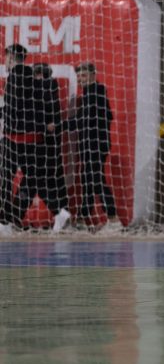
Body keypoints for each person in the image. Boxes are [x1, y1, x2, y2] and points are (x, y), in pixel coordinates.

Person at [67, 62, 118, 229]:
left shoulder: (97, 92)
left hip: (96, 145)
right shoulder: (90, 94)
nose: (80, 79)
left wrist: (60, 126)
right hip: (89, 144)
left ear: (92, 75)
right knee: (88, 179)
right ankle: (83, 218)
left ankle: (113, 219)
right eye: (79, 76)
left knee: (96, 180)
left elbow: (85, 121)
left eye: (83, 75)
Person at [0, 44, 44, 233]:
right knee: (32, 178)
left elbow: (13, 107)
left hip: (15, 138)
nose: (5, 62)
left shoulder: (15, 77)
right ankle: (15, 216)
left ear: (11, 56)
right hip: (31, 138)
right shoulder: (32, 77)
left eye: (6, 57)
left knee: (5, 178)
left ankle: (5, 219)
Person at [31, 63, 71, 231]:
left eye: (36, 75)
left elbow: (42, 120)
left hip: (43, 143)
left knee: (39, 180)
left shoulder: (41, 92)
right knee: (55, 180)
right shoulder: (52, 92)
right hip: (52, 143)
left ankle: (60, 214)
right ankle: (62, 214)